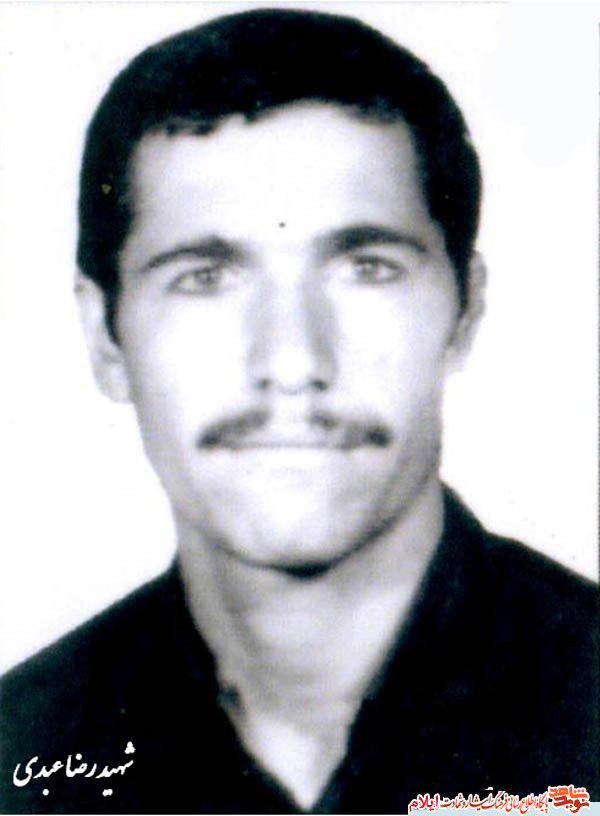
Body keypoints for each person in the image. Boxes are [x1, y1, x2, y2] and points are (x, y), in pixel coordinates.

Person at [0, 8, 597, 814]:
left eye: (366, 267)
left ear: (465, 310)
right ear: (105, 337)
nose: (291, 361)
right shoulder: (18, 757)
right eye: (205, 277)